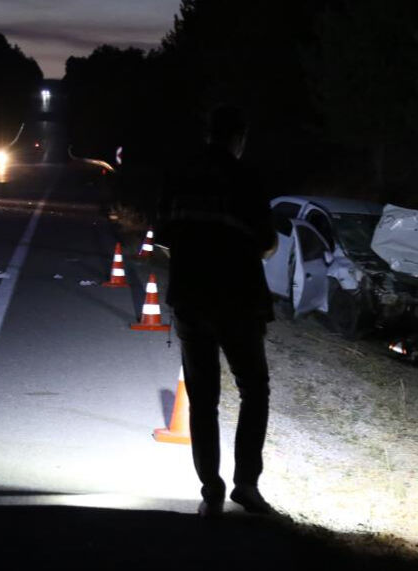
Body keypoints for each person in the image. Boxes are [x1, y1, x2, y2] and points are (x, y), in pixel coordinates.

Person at [157, 105, 278, 519]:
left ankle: (210, 485)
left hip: (190, 298)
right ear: (238, 139)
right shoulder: (246, 178)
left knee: (203, 399)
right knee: (254, 389)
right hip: (238, 299)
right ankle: (246, 484)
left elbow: (164, 236)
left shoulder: (181, 176)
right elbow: (266, 242)